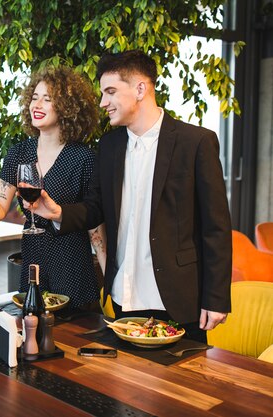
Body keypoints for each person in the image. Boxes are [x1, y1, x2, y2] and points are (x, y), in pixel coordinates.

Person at [31, 50, 232, 342]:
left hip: (179, 298)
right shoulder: (110, 145)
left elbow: (216, 228)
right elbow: (96, 208)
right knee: (124, 385)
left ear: (140, 89)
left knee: (182, 386)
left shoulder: (196, 142)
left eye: (110, 91)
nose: (103, 103)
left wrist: (215, 298)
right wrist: (58, 213)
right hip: (124, 297)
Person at [0, 66, 105, 309]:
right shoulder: (18, 153)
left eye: (47, 99)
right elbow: (0, 205)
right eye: (34, 98)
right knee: (32, 328)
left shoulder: (84, 158)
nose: (36, 105)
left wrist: (109, 283)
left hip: (72, 261)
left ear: (67, 108)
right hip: (33, 258)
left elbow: (95, 226)